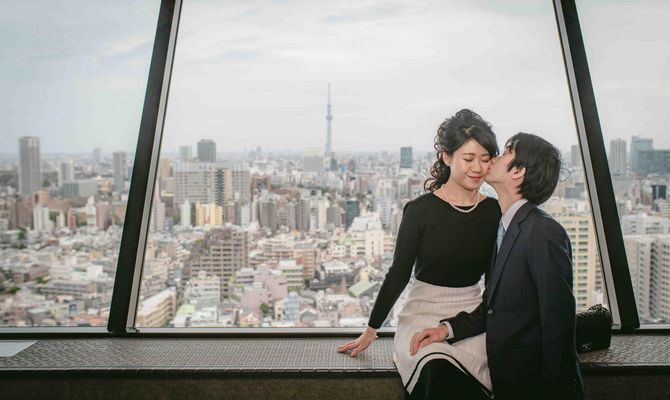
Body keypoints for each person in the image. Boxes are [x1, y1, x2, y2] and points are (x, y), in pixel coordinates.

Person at [337, 109, 501, 399]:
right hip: (422, 313)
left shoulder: (493, 212)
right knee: (435, 366)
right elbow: (398, 274)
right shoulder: (420, 211)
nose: (477, 167)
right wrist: (371, 330)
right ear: (446, 157)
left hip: (471, 318)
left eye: (485, 159)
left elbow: (495, 285)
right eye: (468, 158)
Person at [410, 133, 585, 400]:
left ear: (518, 171)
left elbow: (558, 323)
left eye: (505, 153)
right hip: (507, 382)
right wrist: (447, 329)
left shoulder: (543, 231)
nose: (494, 158)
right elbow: (493, 308)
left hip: (535, 387)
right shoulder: (505, 227)